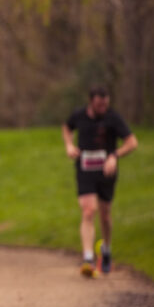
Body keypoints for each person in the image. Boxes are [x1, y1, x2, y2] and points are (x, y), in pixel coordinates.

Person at [61, 86, 137, 277]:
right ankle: (88, 258)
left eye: (105, 104)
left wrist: (114, 155)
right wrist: (69, 145)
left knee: (105, 215)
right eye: (99, 104)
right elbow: (66, 127)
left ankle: (106, 249)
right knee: (88, 210)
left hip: (106, 171)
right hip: (85, 169)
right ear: (91, 102)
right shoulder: (79, 115)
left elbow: (132, 142)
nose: (103, 107)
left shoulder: (113, 118)